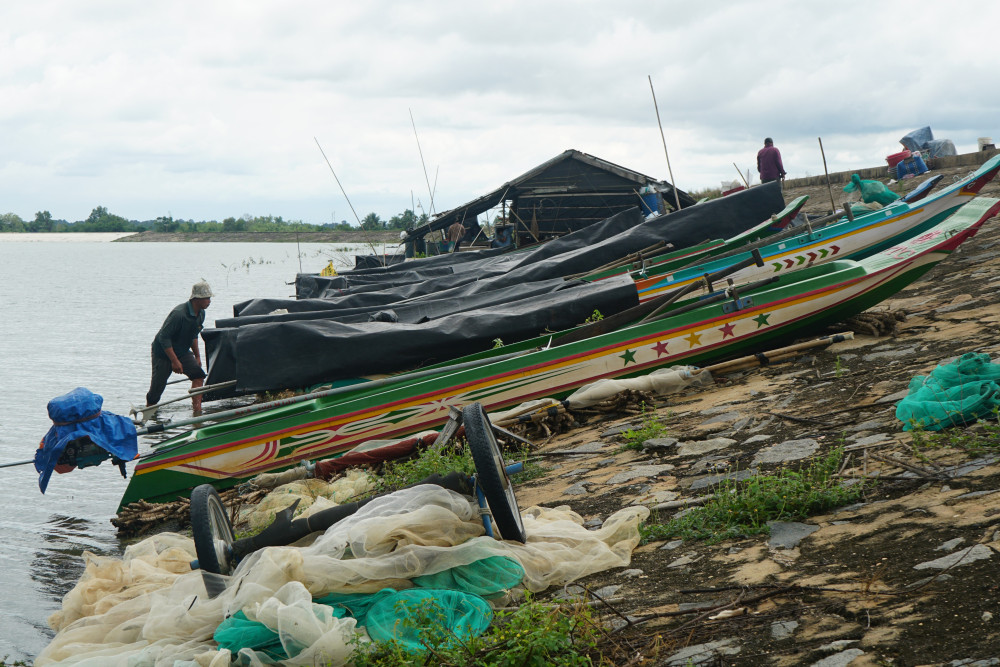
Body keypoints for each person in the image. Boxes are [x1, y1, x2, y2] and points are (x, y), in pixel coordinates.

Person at [145, 281, 212, 414]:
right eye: (207, 298)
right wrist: (174, 361)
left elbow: (194, 335)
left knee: (198, 375)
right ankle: (149, 411)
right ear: (197, 299)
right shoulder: (179, 314)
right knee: (157, 389)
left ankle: (197, 411)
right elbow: (164, 337)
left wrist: (197, 356)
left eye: (210, 298)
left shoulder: (201, 314)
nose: (209, 301)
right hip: (163, 352)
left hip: (182, 350)